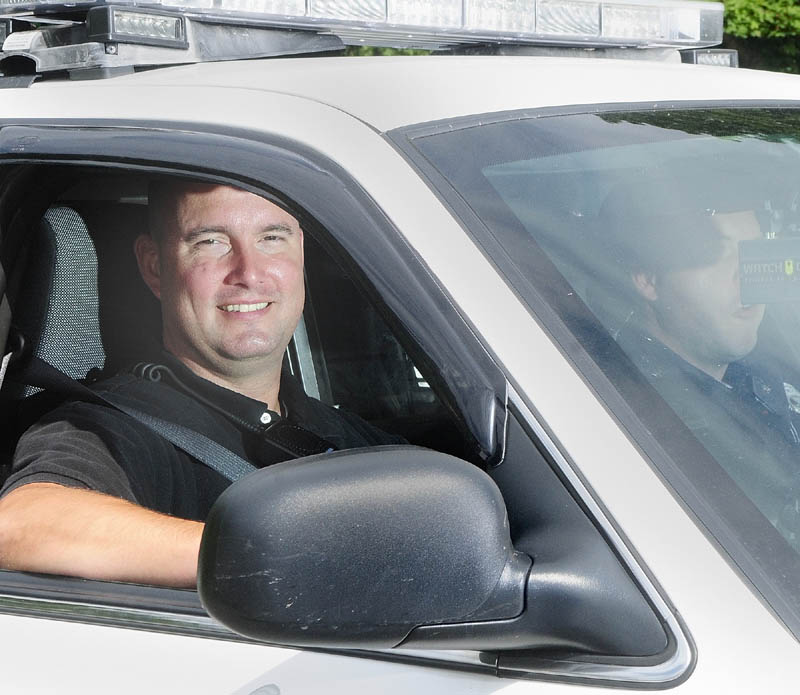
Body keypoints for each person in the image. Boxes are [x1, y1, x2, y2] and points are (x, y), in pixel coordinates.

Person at [0, 180, 404, 587]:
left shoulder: (342, 433)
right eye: (211, 242)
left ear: (300, 250)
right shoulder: (109, 428)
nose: (248, 272)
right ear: (154, 266)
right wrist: (287, 559)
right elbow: (23, 522)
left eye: (271, 237)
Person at [601, 171, 800, 545]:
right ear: (648, 279)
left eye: (752, 254)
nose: (747, 278)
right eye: (716, 256)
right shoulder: (625, 422)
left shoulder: (771, 360)